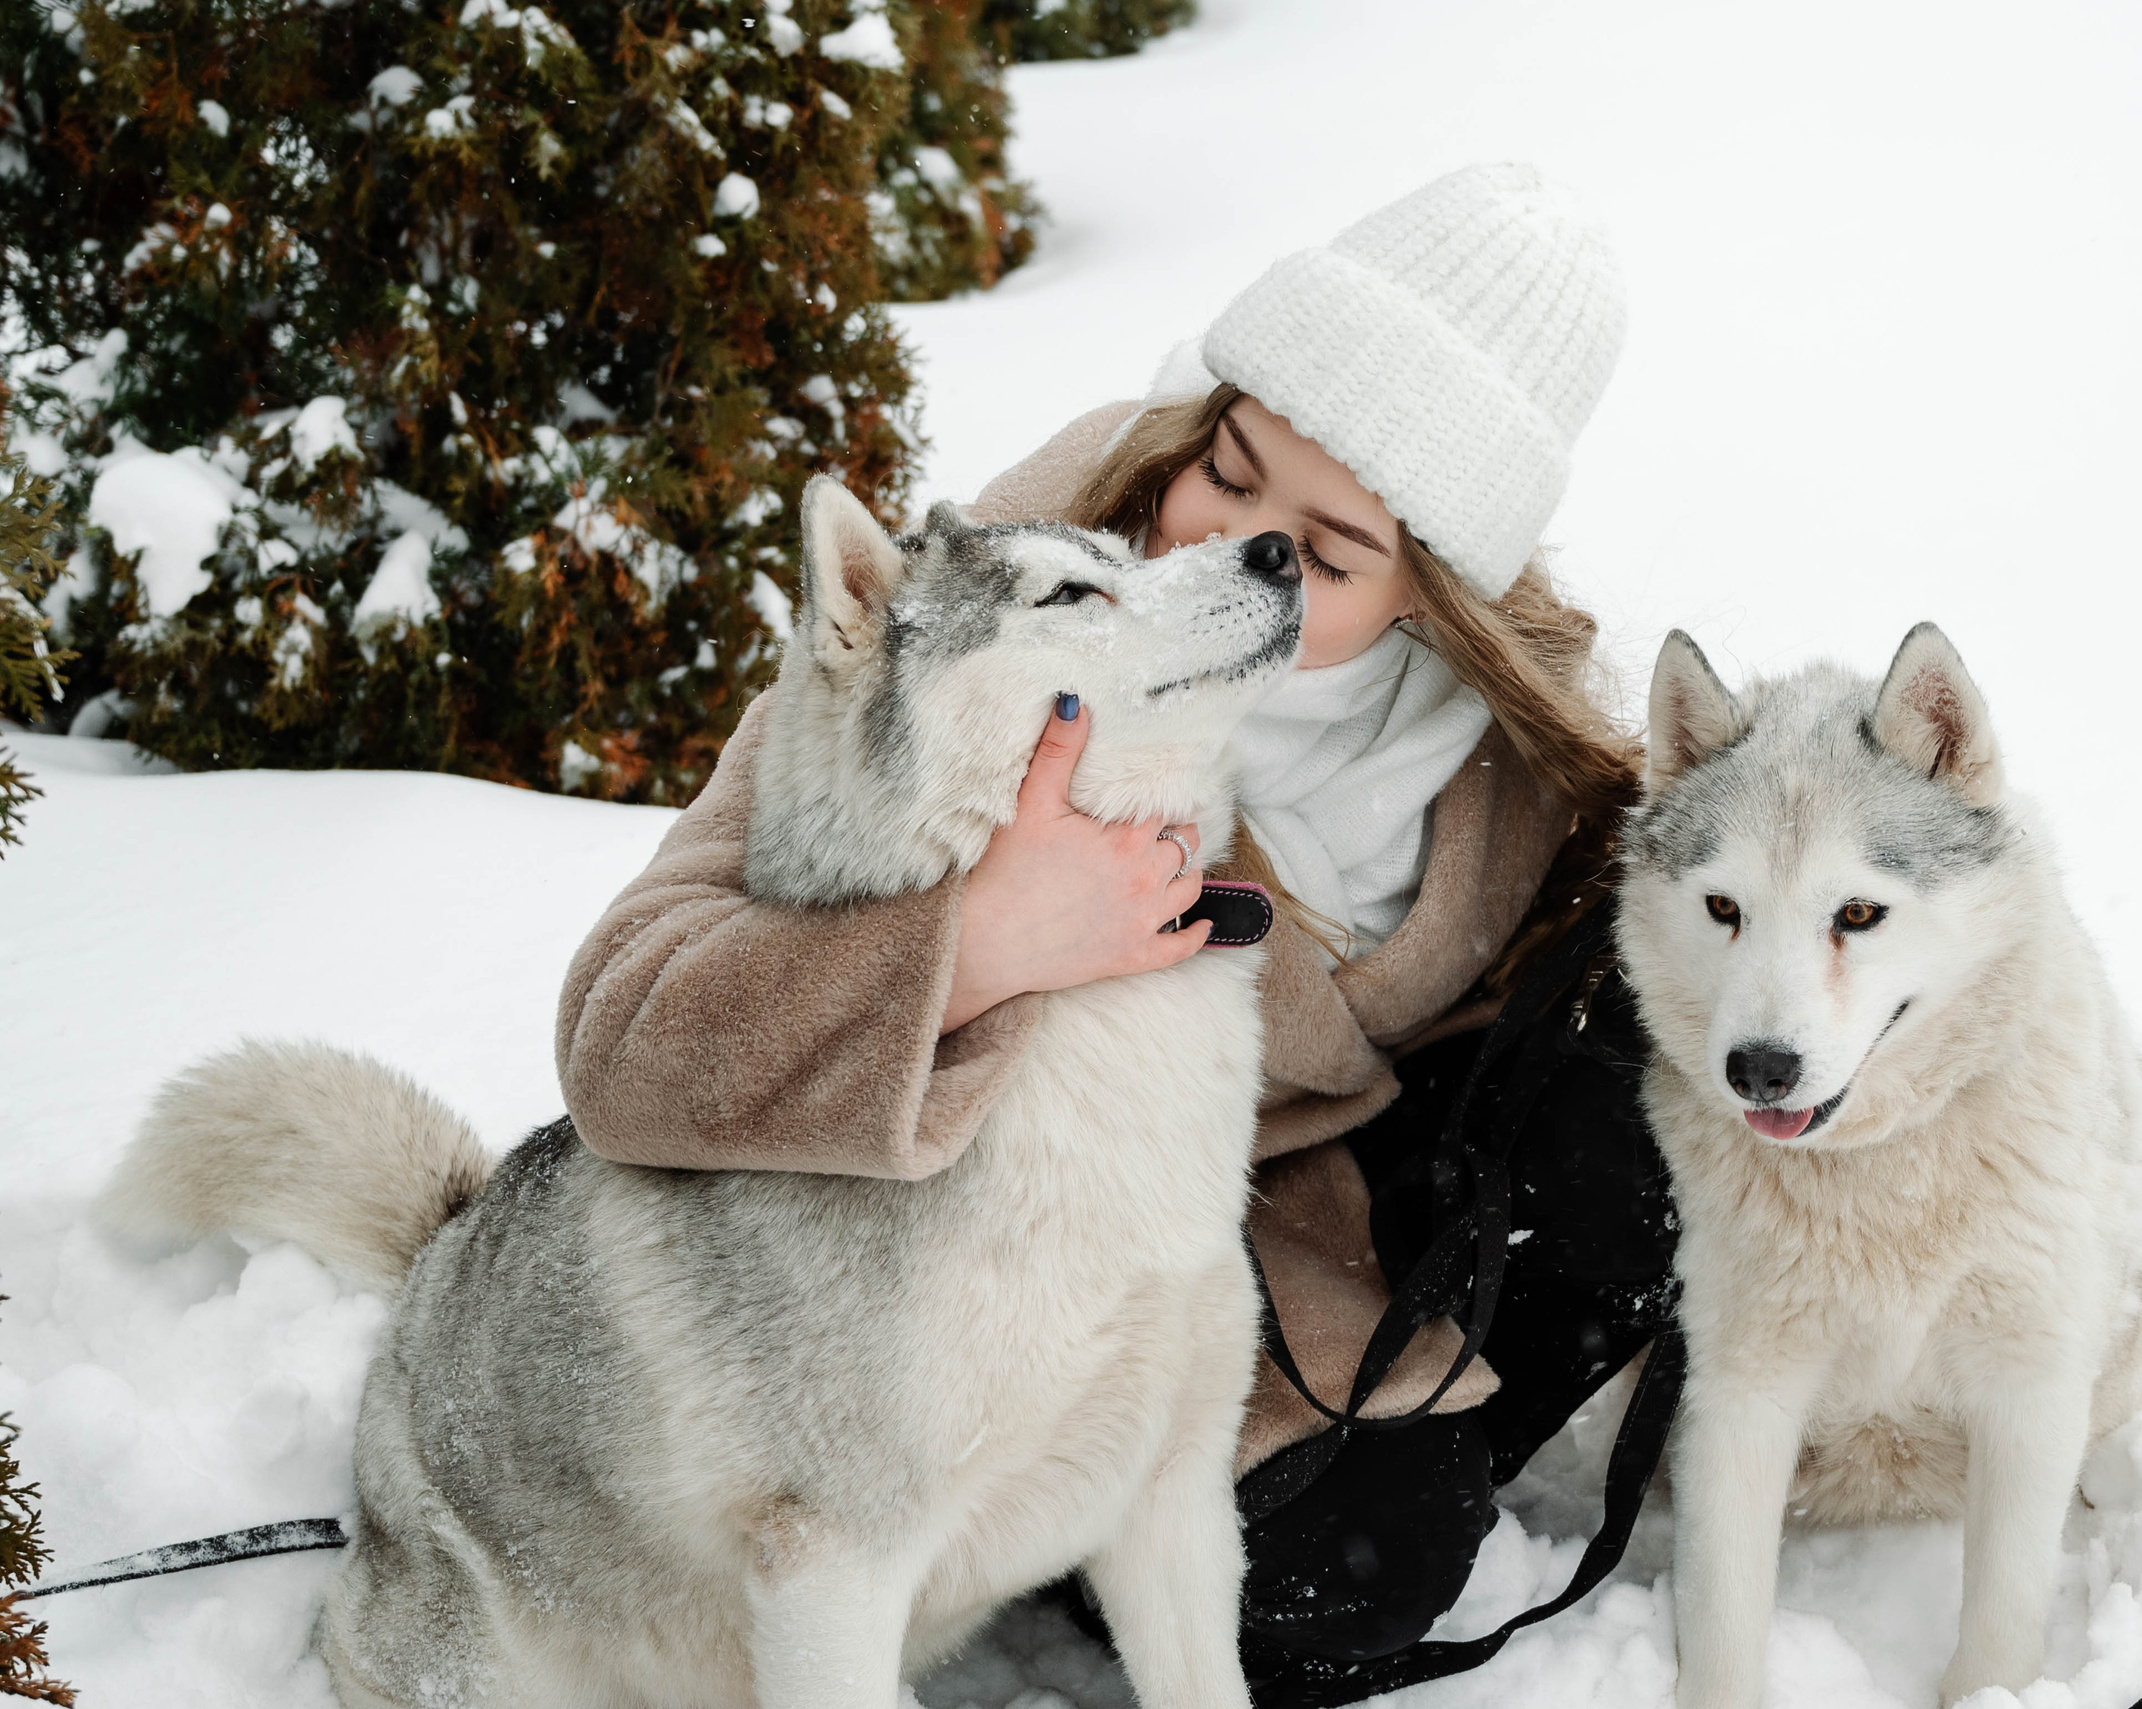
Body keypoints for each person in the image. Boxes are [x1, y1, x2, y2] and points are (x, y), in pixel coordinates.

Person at [553, 163, 1679, 1704]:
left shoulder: (1500, 767)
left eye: (1334, 551)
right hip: (969, 1231)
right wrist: (978, 942)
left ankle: (1425, 1436)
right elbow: (623, 1036)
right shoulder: (998, 590)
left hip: (1248, 1212)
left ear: (1436, 594)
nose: (1236, 547)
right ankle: (1052, 1521)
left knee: (1644, 1039)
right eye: (1226, 466)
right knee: (1348, 1564)